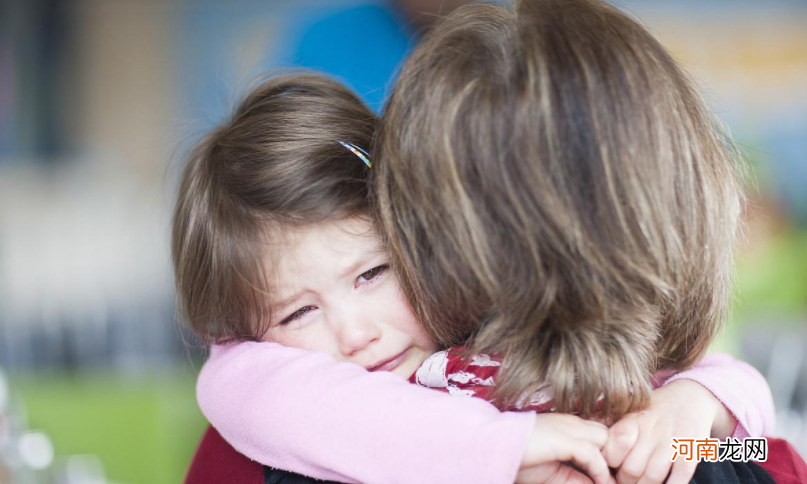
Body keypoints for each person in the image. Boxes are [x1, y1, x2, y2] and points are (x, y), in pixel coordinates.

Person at [177, 70, 772, 484]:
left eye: (373, 274)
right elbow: (243, 385)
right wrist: (500, 451)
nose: (355, 334)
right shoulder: (291, 413)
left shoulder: (507, 327)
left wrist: (695, 413)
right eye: (297, 312)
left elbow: (756, 448)